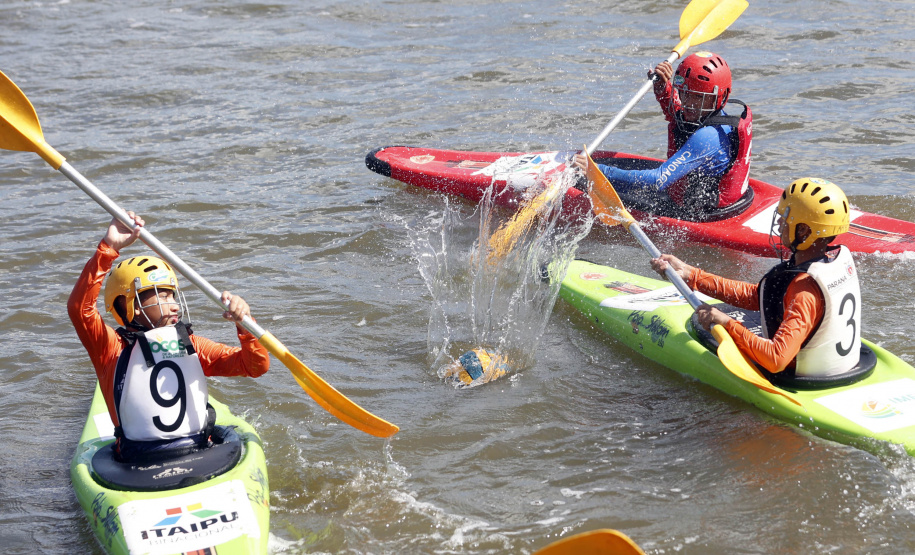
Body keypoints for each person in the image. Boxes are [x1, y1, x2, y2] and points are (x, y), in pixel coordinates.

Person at [68, 212, 270, 461]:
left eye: (172, 295)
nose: (174, 305)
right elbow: (80, 309)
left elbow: (254, 366)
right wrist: (108, 248)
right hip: (138, 460)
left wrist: (245, 326)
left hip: (197, 451)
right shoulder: (111, 348)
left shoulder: (190, 344)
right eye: (161, 296)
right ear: (130, 305)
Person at [650, 178, 861, 377]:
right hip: (837, 366)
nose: (779, 224)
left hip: (802, 377)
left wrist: (727, 323)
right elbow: (758, 297)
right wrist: (691, 274)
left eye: (785, 218)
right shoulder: (831, 262)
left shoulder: (804, 291)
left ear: (804, 230)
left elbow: (776, 359)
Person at [574, 51, 753, 220]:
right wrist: (661, 85)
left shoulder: (709, 137)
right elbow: (676, 116)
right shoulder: (704, 114)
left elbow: (657, 180)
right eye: (684, 93)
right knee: (616, 170)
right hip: (702, 195)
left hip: (700, 212)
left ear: (721, 97)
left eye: (698, 97)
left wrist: (596, 171)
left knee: (588, 178)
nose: (689, 104)